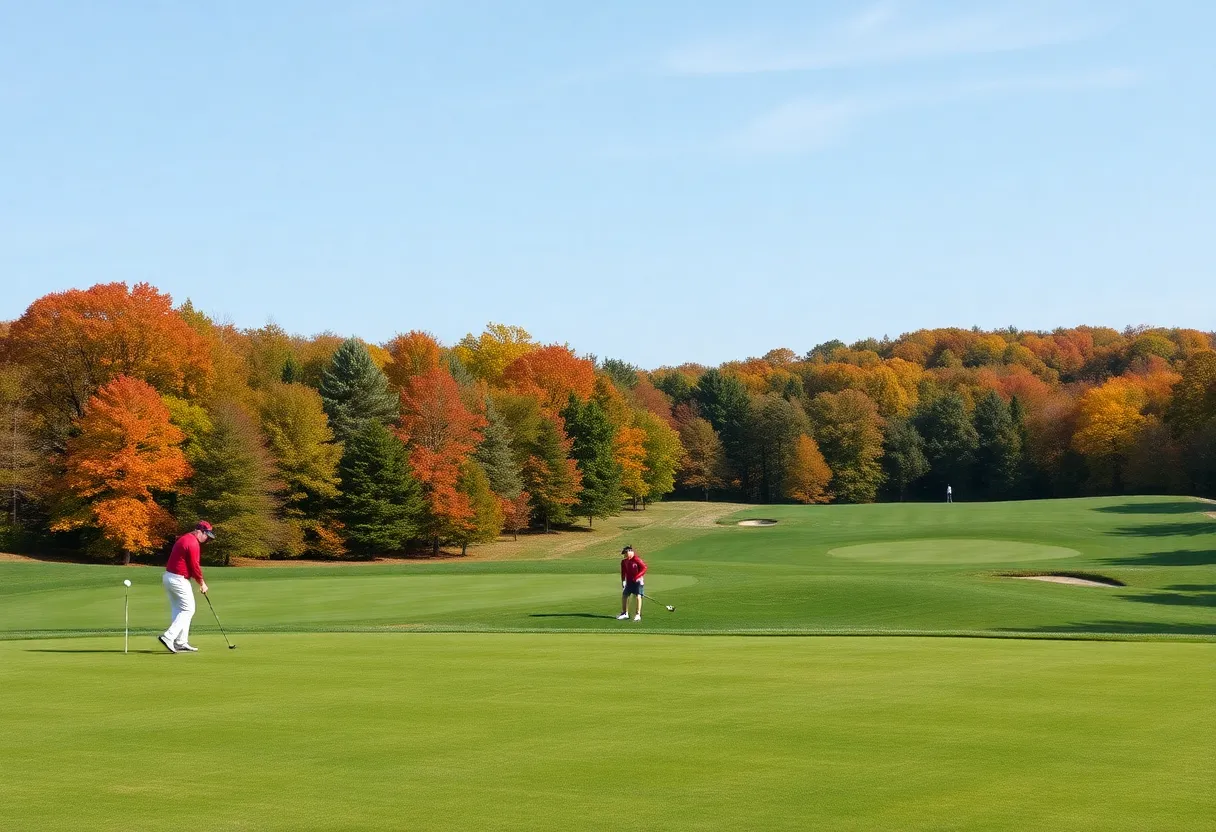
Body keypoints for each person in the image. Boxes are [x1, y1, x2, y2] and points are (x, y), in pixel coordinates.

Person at [159, 521, 215, 653]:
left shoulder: (185, 538)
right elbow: (195, 566)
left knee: (179, 610)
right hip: (178, 579)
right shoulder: (192, 542)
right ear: (199, 531)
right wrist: (202, 583)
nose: (207, 538)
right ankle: (169, 636)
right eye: (206, 534)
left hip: (170, 577)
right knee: (188, 610)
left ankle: (180, 642)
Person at [617, 545, 647, 621]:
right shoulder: (624, 561)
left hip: (638, 582)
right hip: (629, 582)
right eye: (624, 554)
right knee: (625, 595)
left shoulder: (636, 559)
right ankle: (625, 613)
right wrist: (623, 581)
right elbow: (623, 572)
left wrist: (637, 577)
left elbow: (644, 568)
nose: (624, 555)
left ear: (630, 551)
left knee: (638, 596)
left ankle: (638, 614)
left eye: (625, 553)